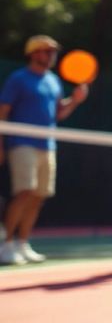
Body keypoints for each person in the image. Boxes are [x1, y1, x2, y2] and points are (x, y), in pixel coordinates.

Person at [0, 36, 88, 265]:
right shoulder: (18, 79)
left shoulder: (54, 81)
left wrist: (75, 101)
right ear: (33, 53)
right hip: (21, 143)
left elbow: (59, 113)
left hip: (48, 145)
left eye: (53, 52)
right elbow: (3, 113)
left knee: (38, 197)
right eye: (45, 51)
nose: (50, 55)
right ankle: (6, 244)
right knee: (24, 191)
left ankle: (23, 243)